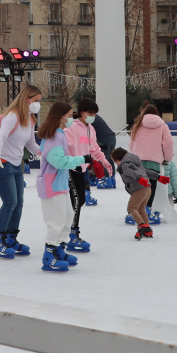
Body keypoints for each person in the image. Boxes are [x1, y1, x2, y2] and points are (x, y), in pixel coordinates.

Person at [0, 85, 43, 259]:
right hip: (2, 163)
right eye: (36, 101)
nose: (37, 104)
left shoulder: (30, 118)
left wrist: (44, 153)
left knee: (18, 203)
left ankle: (11, 238)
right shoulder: (13, 116)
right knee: (10, 202)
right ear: (26, 99)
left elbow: (31, 143)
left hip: (16, 164)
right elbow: (2, 136)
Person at [35, 102, 87, 272]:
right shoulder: (53, 136)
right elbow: (57, 160)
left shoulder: (60, 134)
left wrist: (75, 166)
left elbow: (62, 159)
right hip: (52, 185)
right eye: (70, 115)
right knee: (55, 221)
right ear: (61, 116)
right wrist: (81, 159)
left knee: (67, 218)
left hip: (60, 183)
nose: (71, 118)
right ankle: (49, 256)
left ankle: (59, 250)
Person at [62, 98, 111, 252]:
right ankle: (71, 234)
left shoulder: (91, 129)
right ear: (82, 113)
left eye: (94, 113)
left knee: (79, 200)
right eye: (90, 113)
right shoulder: (72, 127)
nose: (93, 116)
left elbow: (94, 148)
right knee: (77, 200)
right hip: (69, 168)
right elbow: (63, 145)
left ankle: (67, 231)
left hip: (81, 170)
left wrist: (105, 161)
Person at [128, 104, 172, 226]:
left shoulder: (138, 124)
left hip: (137, 159)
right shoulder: (163, 126)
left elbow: (131, 141)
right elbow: (168, 143)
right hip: (154, 160)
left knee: (138, 185)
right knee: (150, 187)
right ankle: (147, 209)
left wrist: (134, 153)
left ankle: (134, 210)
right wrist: (167, 158)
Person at [112, 148, 153, 239]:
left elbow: (133, 172)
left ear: (118, 160)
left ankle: (142, 226)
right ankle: (148, 231)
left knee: (131, 208)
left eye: (115, 162)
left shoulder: (125, 165)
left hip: (140, 188)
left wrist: (139, 179)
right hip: (147, 188)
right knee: (141, 209)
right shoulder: (135, 162)